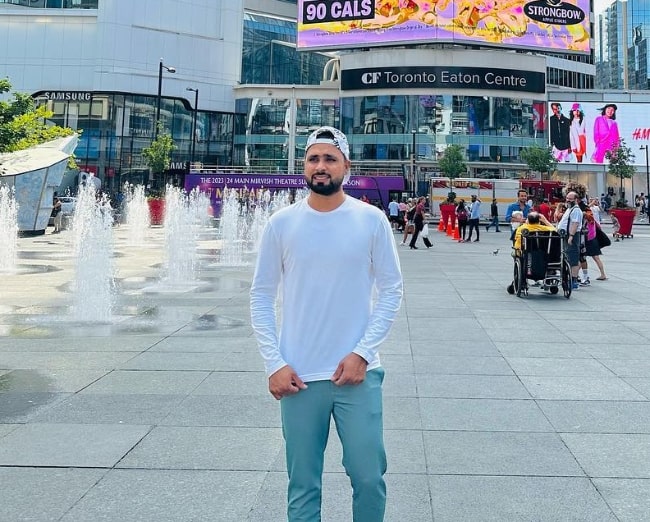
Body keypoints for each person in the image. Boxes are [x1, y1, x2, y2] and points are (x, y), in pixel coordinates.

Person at [250, 126, 403, 522]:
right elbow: (261, 296)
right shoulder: (281, 224)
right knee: (303, 485)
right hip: (298, 378)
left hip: (358, 375)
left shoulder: (370, 221)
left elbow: (391, 291)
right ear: (304, 166)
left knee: (369, 477)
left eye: (329, 158)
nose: (321, 166)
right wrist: (274, 364)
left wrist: (362, 354)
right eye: (313, 158)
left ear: (346, 167)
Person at [557, 191, 584, 289]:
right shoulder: (570, 208)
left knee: (573, 258)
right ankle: (569, 279)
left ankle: (573, 281)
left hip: (571, 236)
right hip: (566, 235)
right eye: (567, 198)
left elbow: (575, 224)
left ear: (576, 200)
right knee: (568, 256)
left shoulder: (576, 210)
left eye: (570, 199)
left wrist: (571, 236)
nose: (567, 200)